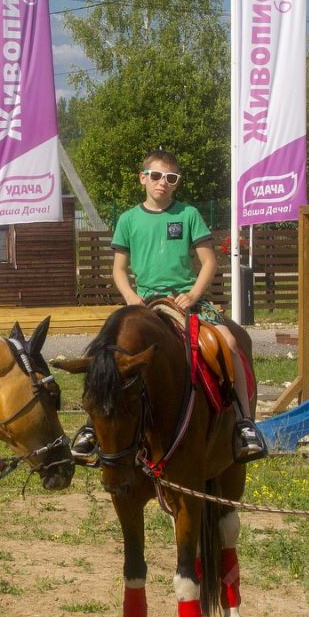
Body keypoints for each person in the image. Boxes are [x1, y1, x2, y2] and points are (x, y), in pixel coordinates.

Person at [69, 149, 267, 464]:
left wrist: (193, 294)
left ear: (176, 183)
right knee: (105, 357)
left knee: (229, 342)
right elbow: (118, 269)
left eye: (171, 178)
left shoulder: (188, 215)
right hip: (144, 302)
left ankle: (244, 423)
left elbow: (209, 262)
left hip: (186, 301)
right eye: (157, 176)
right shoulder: (128, 220)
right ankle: (92, 426)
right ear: (143, 178)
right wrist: (131, 297)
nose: (163, 182)